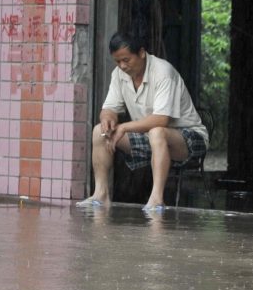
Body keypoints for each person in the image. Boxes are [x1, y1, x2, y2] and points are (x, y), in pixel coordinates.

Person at [76, 31, 208, 212]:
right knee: (100, 131)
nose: (122, 66)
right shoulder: (119, 74)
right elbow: (110, 108)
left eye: (126, 60)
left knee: (157, 131)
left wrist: (124, 127)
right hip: (151, 138)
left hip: (189, 139)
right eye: (117, 61)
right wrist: (108, 119)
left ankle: (156, 199)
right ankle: (100, 195)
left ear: (141, 53)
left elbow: (161, 119)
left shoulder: (163, 72)